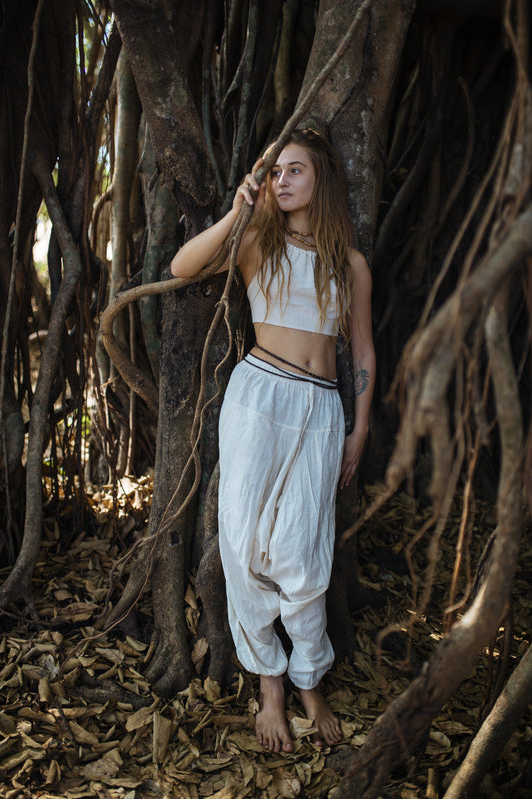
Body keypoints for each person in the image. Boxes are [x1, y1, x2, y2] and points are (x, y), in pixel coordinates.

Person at [171, 128, 375, 754]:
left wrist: (359, 426)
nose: (282, 181)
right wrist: (238, 211)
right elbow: (182, 267)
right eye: (275, 172)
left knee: (304, 555)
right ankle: (272, 689)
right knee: (242, 543)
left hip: (319, 409)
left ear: (322, 181)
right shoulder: (258, 241)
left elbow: (362, 351)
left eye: (296, 171)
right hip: (258, 398)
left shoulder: (351, 264)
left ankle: (312, 679)